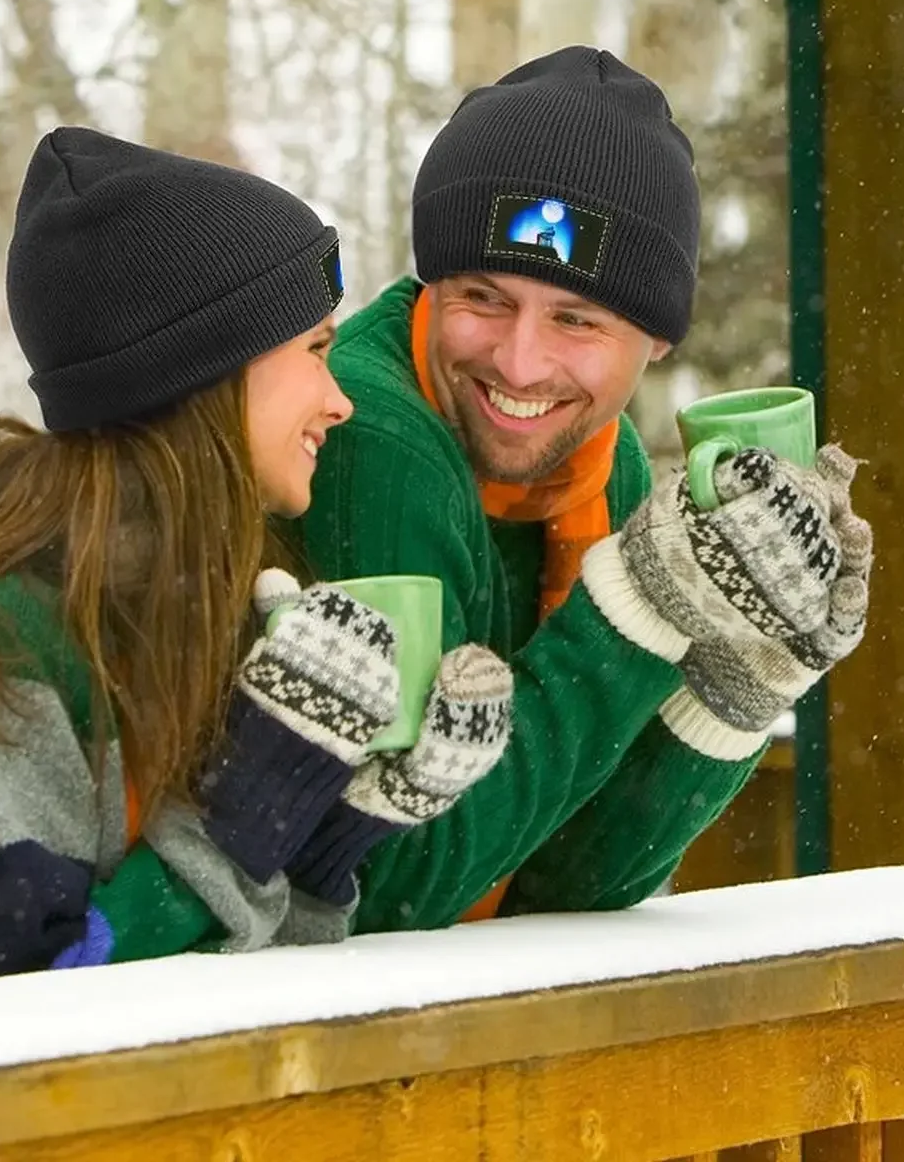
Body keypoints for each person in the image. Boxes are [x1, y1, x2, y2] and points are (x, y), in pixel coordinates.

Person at [0, 127, 512, 1006]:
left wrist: (328, 838)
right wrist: (236, 829)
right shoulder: (7, 630)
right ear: (205, 371)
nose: (340, 400)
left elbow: (206, 980)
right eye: (316, 351)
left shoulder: (206, 595)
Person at [283, 45, 873, 930]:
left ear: (658, 341)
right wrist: (634, 610)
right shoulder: (371, 438)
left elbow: (572, 877)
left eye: (576, 319)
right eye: (483, 297)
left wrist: (738, 678)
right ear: (431, 286)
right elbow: (395, 881)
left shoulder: (602, 463)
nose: (520, 362)